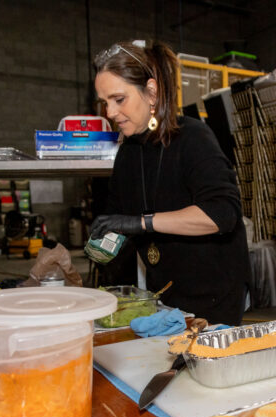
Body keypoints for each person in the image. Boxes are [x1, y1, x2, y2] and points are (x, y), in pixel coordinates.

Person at [90, 40, 250, 325]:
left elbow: (221, 214)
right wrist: (105, 242)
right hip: (163, 297)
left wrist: (141, 223)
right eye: (105, 103)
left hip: (212, 299)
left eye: (119, 99)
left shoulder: (193, 138)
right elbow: (117, 218)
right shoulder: (128, 152)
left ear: (151, 92)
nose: (109, 113)